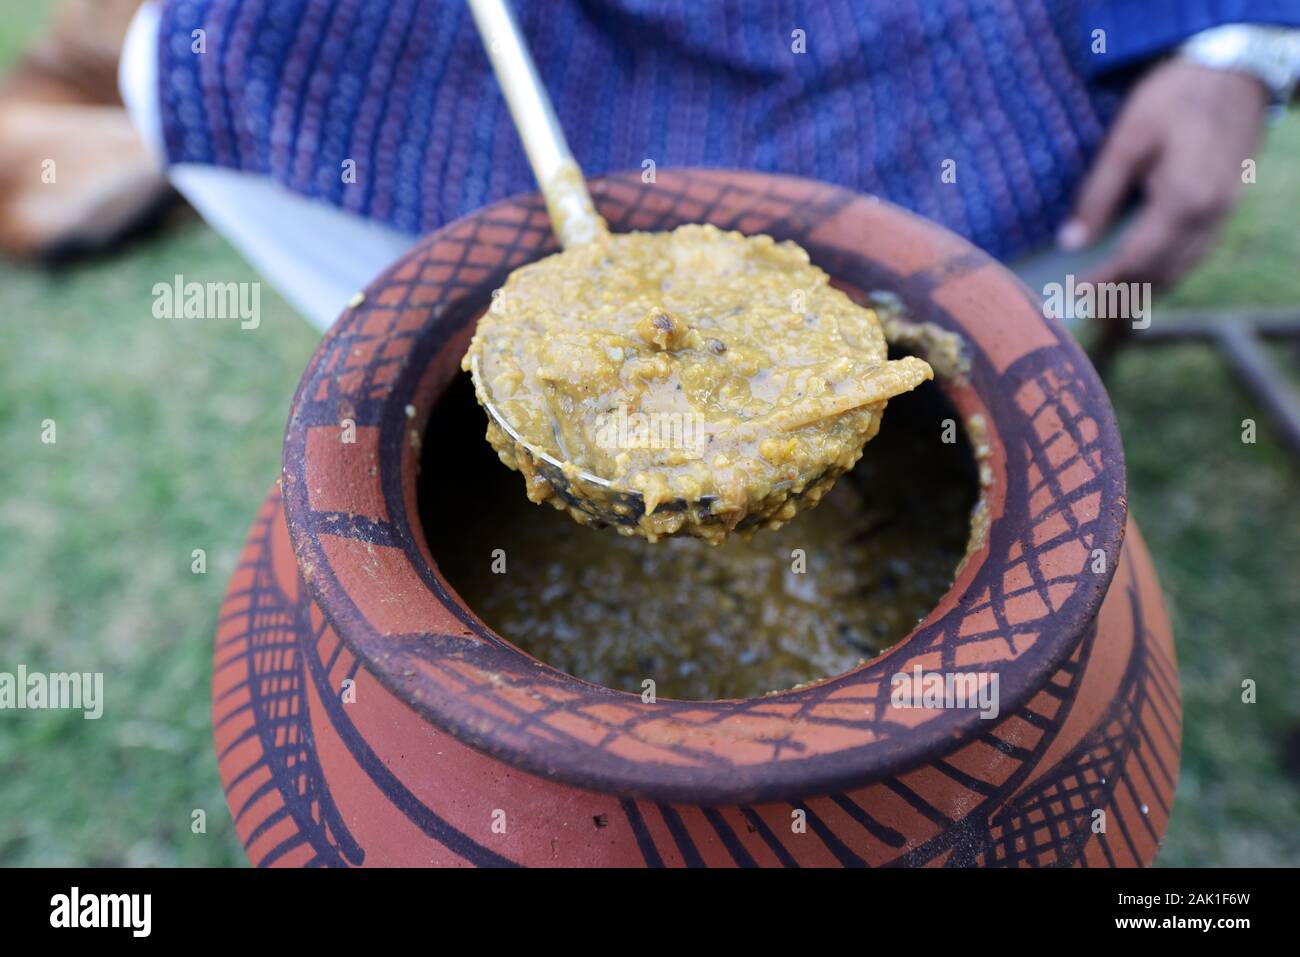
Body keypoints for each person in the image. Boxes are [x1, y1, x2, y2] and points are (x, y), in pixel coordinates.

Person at [8, 2, 1300, 331]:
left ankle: (925, 427)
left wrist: (1237, 34)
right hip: (556, 34)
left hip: (944, 35)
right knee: (208, 53)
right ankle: (512, 381)